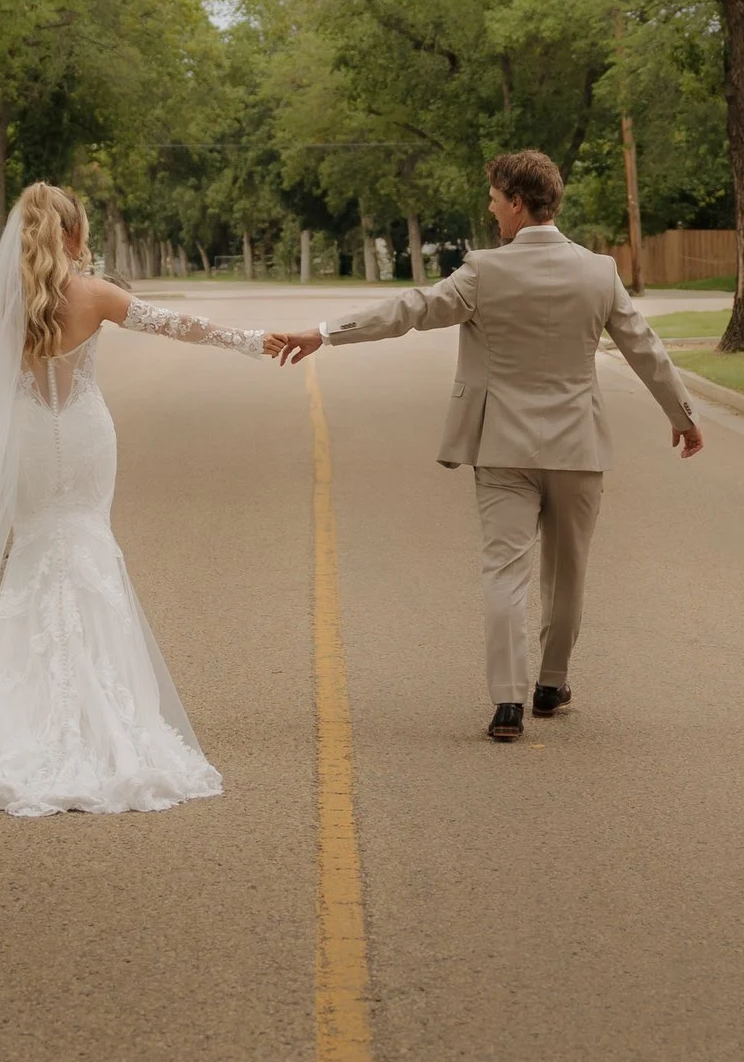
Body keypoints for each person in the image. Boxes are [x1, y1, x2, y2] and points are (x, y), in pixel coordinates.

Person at [271, 150, 702, 743]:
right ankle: (551, 684)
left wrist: (324, 334)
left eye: (496, 199)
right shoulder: (599, 271)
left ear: (518, 202)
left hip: (502, 446)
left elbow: (411, 310)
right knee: (568, 572)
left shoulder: (483, 271)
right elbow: (644, 347)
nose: (492, 208)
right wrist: (681, 415)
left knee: (505, 572)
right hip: (578, 448)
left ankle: (507, 704)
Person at [0, 183, 273, 817]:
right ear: (73, 233)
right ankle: (107, 709)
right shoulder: (94, 295)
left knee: (34, 554)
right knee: (87, 544)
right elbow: (182, 327)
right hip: (85, 437)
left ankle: (15, 712)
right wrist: (254, 341)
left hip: (27, 442)